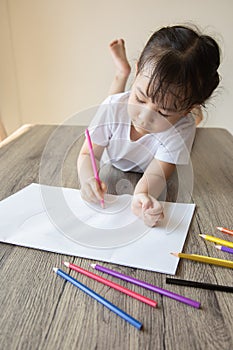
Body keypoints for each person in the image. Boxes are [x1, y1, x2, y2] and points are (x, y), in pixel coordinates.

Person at [78, 25, 220, 227]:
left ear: (186, 110)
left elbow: (158, 172)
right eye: (141, 98)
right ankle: (122, 73)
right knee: (114, 101)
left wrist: (142, 195)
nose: (145, 117)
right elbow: (87, 154)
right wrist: (88, 180)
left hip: (179, 126)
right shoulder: (113, 108)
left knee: (191, 128)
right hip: (115, 145)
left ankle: (191, 112)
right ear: (139, 71)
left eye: (163, 112)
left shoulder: (182, 128)